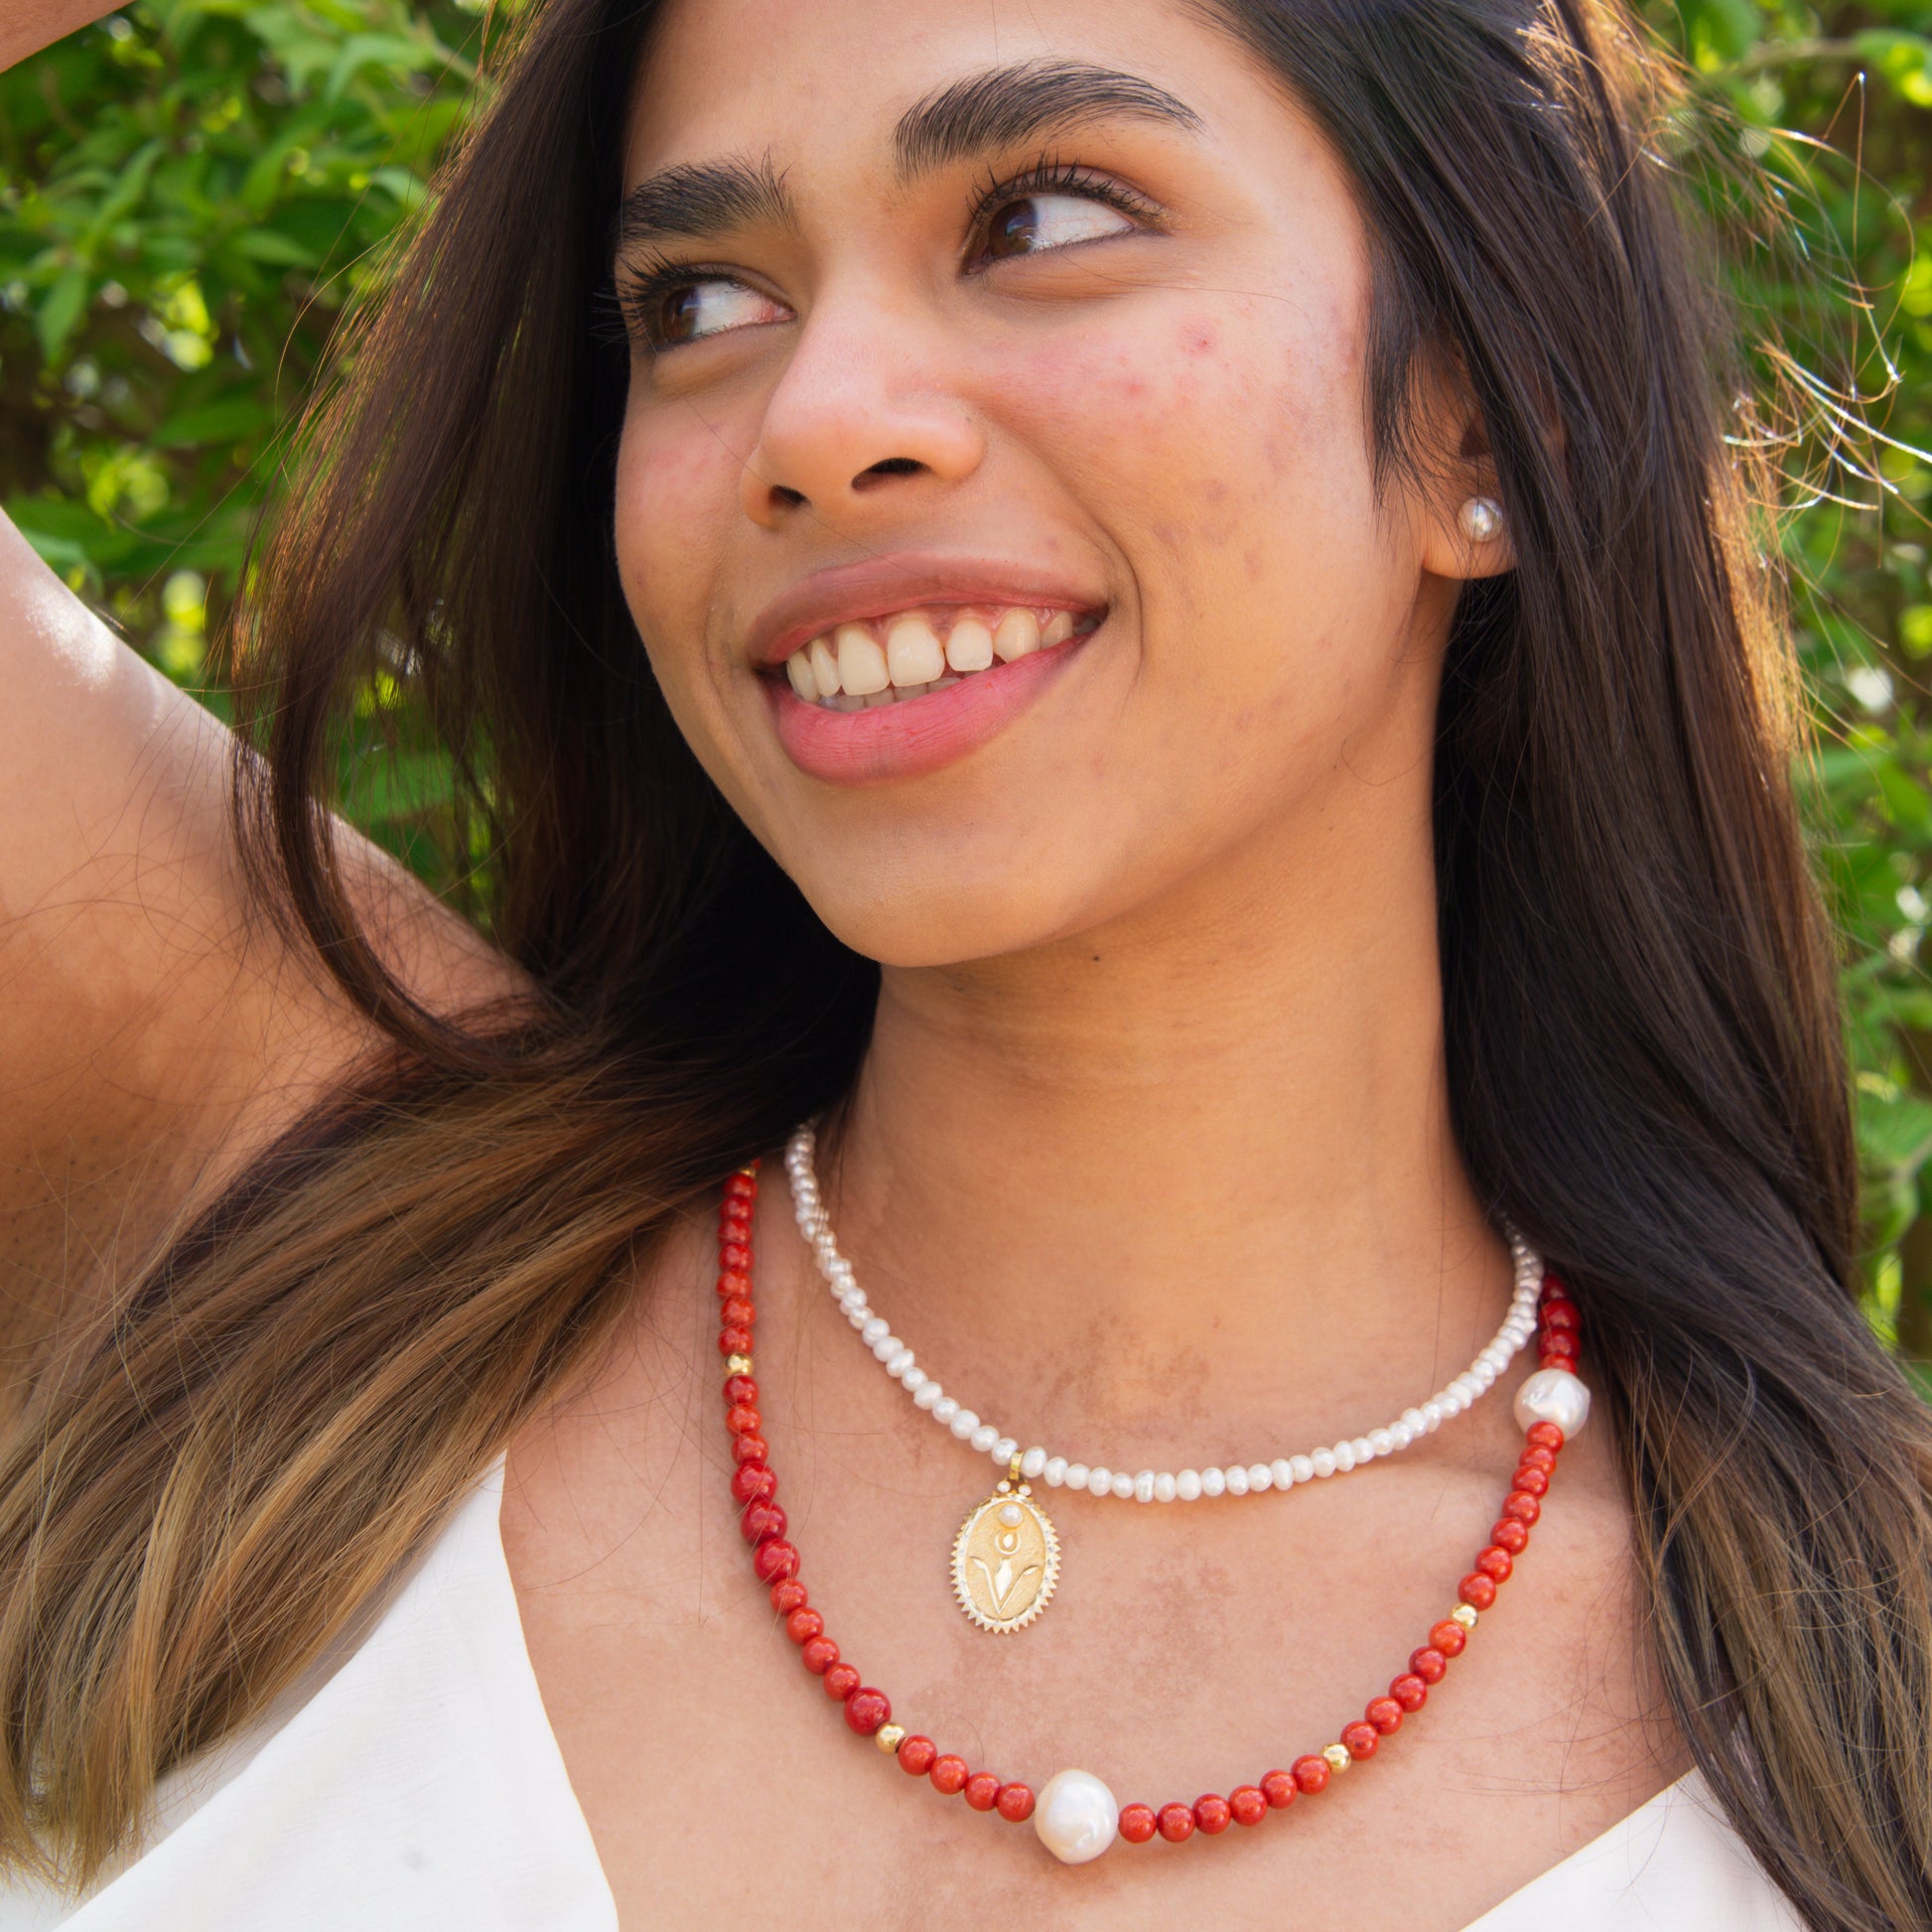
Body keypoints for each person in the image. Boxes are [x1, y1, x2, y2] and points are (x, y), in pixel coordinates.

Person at [0, 0, 1925, 1924]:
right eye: (697, 303)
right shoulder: (296, 1245)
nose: (818, 421)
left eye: (1046, 220)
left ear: (1485, 419)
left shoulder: (1861, 1723)